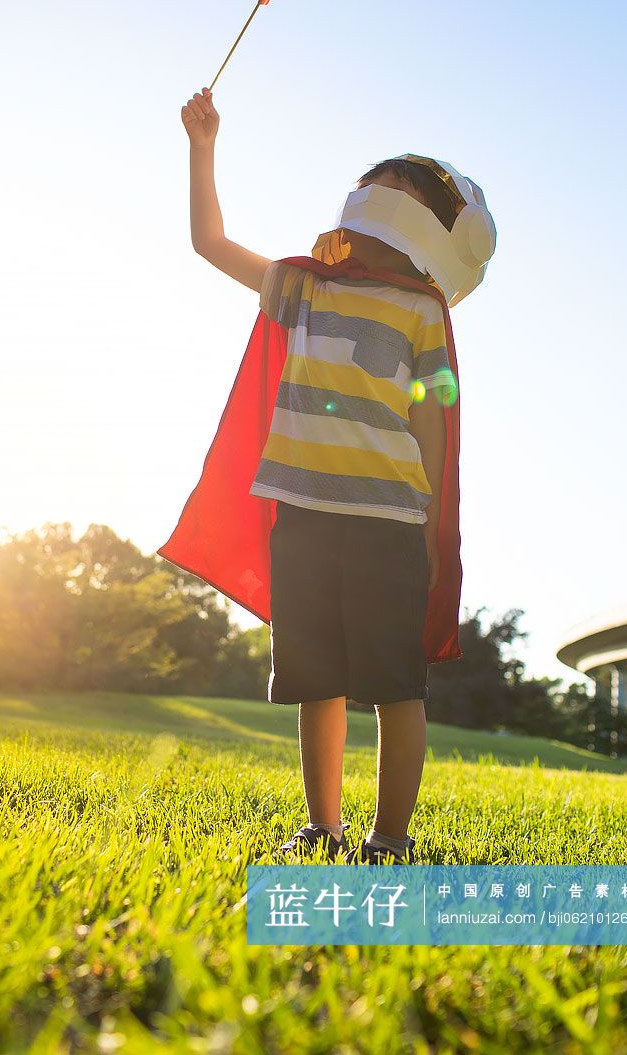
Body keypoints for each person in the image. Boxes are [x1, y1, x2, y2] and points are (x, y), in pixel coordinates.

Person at [180, 85, 493, 864]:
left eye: (397, 182)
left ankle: (390, 837)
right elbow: (210, 244)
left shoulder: (422, 311)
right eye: (375, 178)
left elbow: (431, 419)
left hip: (389, 522)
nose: (376, 188)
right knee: (312, 677)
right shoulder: (304, 285)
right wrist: (202, 147)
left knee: (395, 685)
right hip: (304, 513)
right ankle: (324, 824)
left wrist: (427, 525)